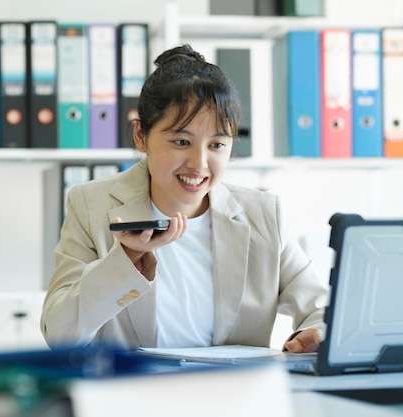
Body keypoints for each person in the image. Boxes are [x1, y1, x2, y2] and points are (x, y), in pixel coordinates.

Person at [40, 44, 327, 353]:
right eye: (181, 141)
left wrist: (317, 332)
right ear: (141, 136)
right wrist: (125, 263)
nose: (199, 163)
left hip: (235, 395)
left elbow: (319, 308)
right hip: (134, 396)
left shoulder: (264, 214)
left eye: (217, 144)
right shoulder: (90, 206)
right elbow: (59, 335)